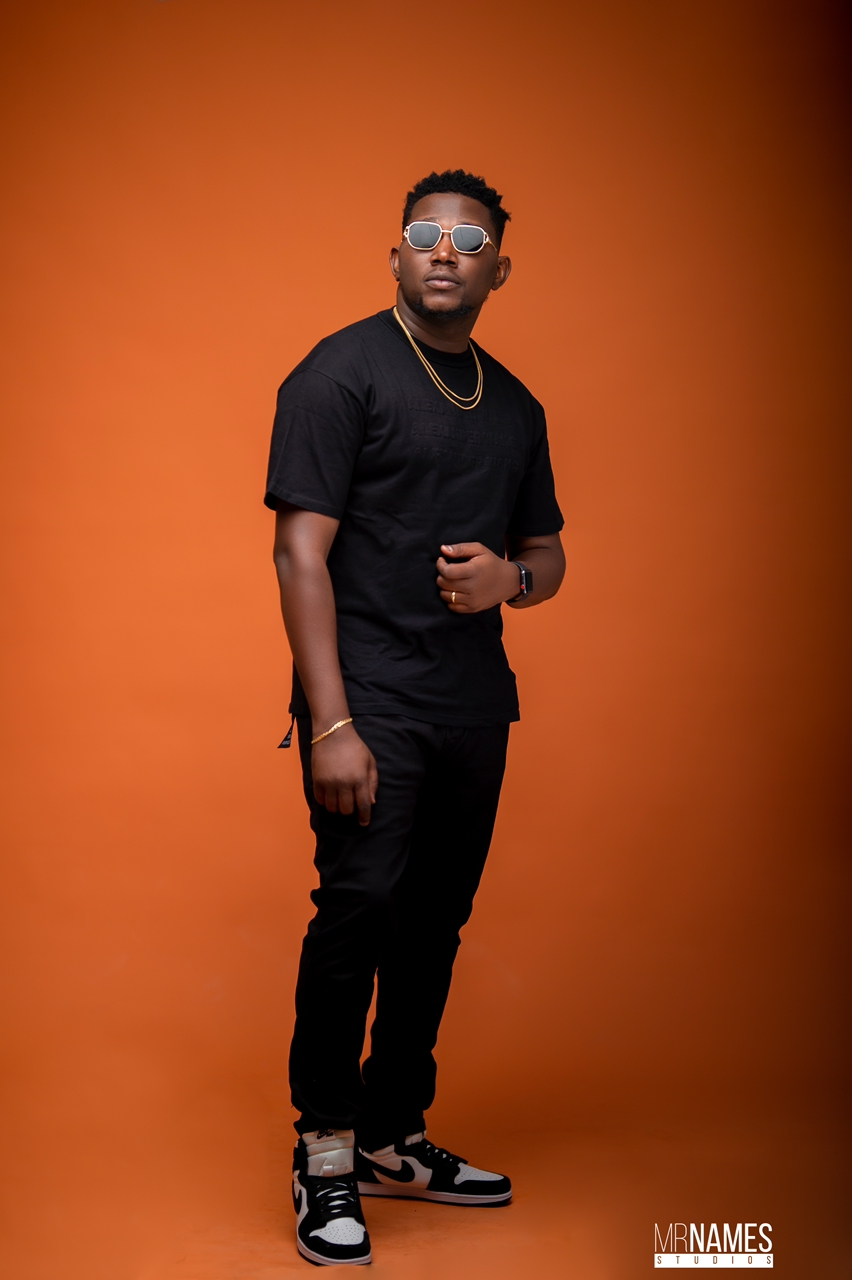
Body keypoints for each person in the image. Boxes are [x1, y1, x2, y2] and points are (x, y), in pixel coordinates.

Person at [265, 169, 565, 1266]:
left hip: (472, 703)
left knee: (434, 922)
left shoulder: (517, 407)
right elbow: (298, 551)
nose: (445, 251)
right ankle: (326, 1151)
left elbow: (547, 554)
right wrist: (331, 723)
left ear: (498, 270)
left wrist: (509, 583)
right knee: (358, 910)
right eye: (425, 234)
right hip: (369, 696)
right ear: (395, 255)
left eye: (469, 240)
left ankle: (394, 1133)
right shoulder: (338, 373)